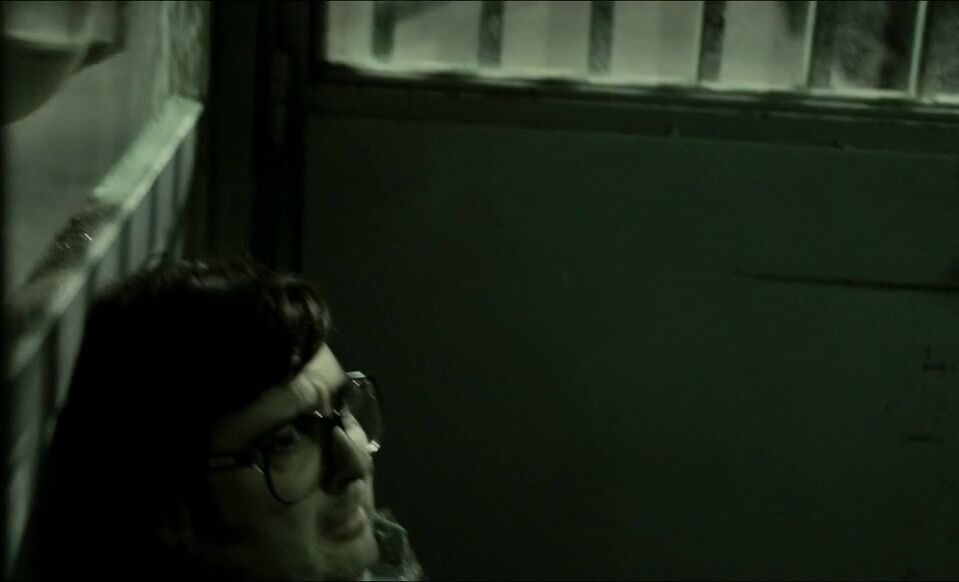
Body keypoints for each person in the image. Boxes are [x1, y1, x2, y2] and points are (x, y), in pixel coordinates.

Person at [14, 258, 424, 580]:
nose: (353, 464)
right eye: (286, 440)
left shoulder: (388, 559)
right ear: (173, 511)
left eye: (343, 407)